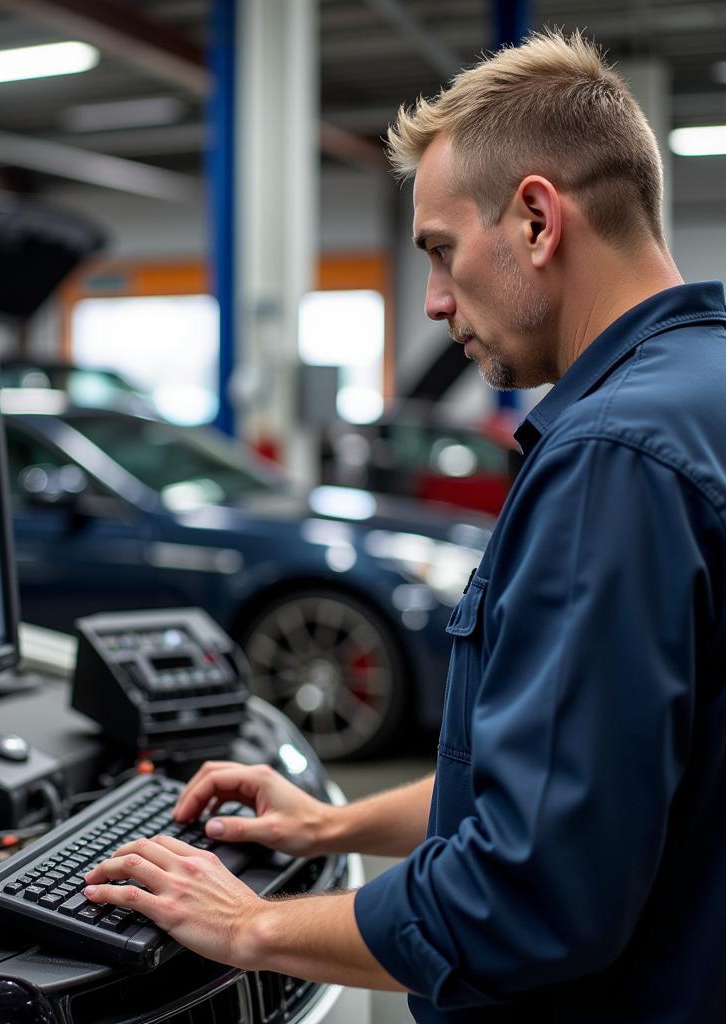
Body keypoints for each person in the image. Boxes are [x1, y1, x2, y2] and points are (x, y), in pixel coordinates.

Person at [84, 28, 726, 1022]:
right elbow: (574, 780)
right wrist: (329, 825)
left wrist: (247, 926)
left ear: (534, 219)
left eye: (438, 251)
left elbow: (528, 896)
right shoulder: (700, 392)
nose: (430, 301)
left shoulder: (612, 459)